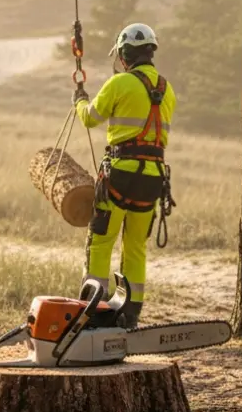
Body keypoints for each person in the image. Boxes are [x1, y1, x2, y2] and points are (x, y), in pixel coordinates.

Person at [72, 22, 176, 329]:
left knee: (101, 241)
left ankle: (93, 312)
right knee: (135, 246)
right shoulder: (167, 90)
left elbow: (90, 118)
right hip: (153, 179)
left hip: (119, 174)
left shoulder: (119, 84)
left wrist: (79, 99)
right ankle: (130, 315)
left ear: (124, 54)